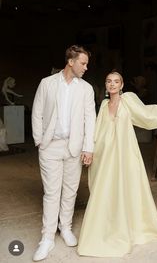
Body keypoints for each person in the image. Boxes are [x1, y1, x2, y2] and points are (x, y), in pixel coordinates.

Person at [78, 71, 157, 257]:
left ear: (122, 85)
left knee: (127, 187)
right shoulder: (102, 105)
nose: (112, 84)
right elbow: (96, 130)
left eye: (116, 81)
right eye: (108, 81)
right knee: (105, 190)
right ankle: (105, 227)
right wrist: (89, 151)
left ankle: (128, 228)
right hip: (105, 155)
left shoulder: (129, 100)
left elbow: (146, 115)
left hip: (124, 154)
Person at [32, 45, 96, 261]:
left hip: (74, 147)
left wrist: (88, 147)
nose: (86, 67)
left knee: (70, 190)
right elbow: (37, 112)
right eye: (83, 63)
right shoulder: (47, 84)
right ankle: (47, 238)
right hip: (50, 146)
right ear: (71, 61)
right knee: (51, 192)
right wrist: (39, 140)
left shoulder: (86, 89)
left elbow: (90, 119)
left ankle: (65, 228)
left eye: (86, 64)